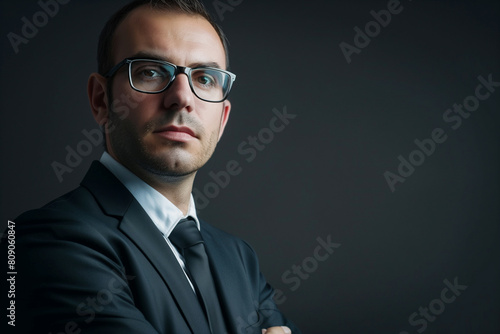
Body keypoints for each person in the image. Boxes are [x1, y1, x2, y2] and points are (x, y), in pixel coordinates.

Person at [3, 0, 300, 333]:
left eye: (204, 78)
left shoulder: (239, 258)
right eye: (150, 71)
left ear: (223, 119)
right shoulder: (45, 241)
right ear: (101, 100)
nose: (182, 97)